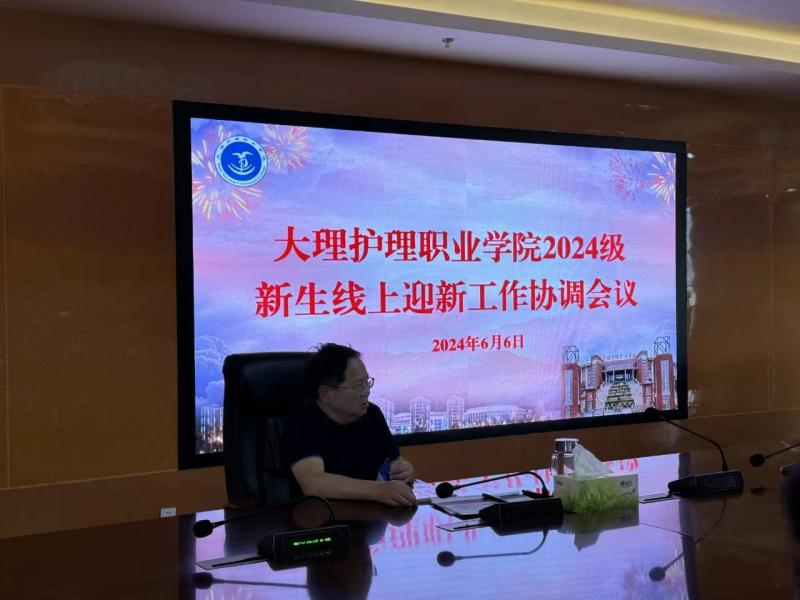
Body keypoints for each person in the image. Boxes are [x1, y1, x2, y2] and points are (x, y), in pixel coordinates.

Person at [283, 343, 416, 507]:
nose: (367, 391)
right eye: (359, 385)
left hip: (372, 515)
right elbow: (314, 483)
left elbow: (395, 464)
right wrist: (378, 490)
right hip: (321, 517)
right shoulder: (303, 421)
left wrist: (404, 471)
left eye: (367, 382)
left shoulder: (372, 414)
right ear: (326, 393)